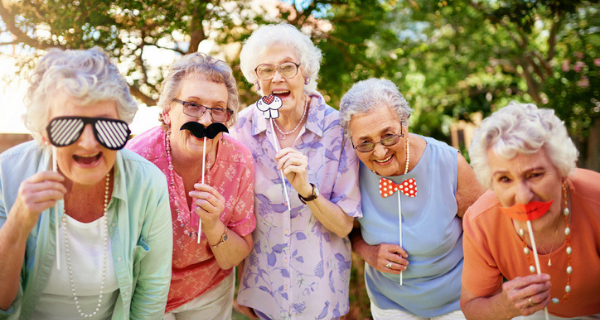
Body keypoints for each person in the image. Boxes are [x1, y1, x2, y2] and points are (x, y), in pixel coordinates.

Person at [0, 47, 172, 319]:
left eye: (107, 127)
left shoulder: (148, 184)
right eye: (68, 126)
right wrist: (17, 225)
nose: (90, 143)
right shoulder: (5, 174)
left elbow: (152, 288)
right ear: (44, 132)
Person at [229, 23, 362, 320]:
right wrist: (243, 285)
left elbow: (344, 226)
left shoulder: (337, 130)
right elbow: (238, 214)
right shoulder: (241, 129)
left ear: (306, 73)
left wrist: (307, 190)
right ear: (255, 79)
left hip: (321, 295)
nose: (277, 77)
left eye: (288, 67)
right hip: (262, 292)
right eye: (265, 70)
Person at [339, 78, 486, 320]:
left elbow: (486, 228)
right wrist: (368, 251)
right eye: (364, 143)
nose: (379, 152)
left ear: (404, 124)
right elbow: (346, 229)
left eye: (388, 136)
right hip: (390, 303)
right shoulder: (349, 172)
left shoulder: (449, 163)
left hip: (458, 301)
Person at [126, 52, 256, 320]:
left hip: (209, 291)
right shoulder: (136, 160)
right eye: (193, 105)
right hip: (149, 290)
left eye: (218, 109)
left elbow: (232, 257)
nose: (206, 120)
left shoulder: (239, 161)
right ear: (167, 111)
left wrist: (213, 224)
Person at [461, 102, 600, 319]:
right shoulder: (481, 222)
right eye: (505, 179)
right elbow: (472, 307)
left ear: (562, 170)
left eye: (535, 175)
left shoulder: (596, 201)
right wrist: (504, 307)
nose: (523, 196)